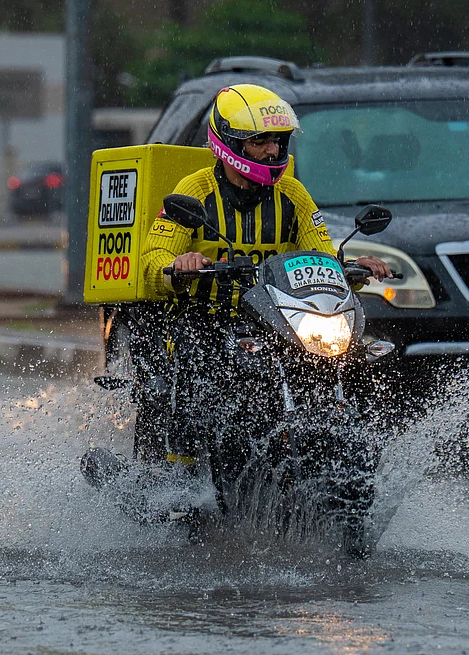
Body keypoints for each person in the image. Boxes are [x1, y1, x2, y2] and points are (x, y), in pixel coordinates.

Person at [142, 84, 390, 474]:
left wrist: (352, 270)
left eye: (277, 142)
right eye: (259, 142)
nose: (272, 152)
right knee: (196, 356)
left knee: (355, 353)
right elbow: (153, 259)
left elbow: (322, 255)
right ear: (227, 143)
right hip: (209, 316)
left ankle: (357, 453)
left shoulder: (293, 194)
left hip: (276, 319)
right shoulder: (195, 191)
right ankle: (181, 471)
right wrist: (180, 264)